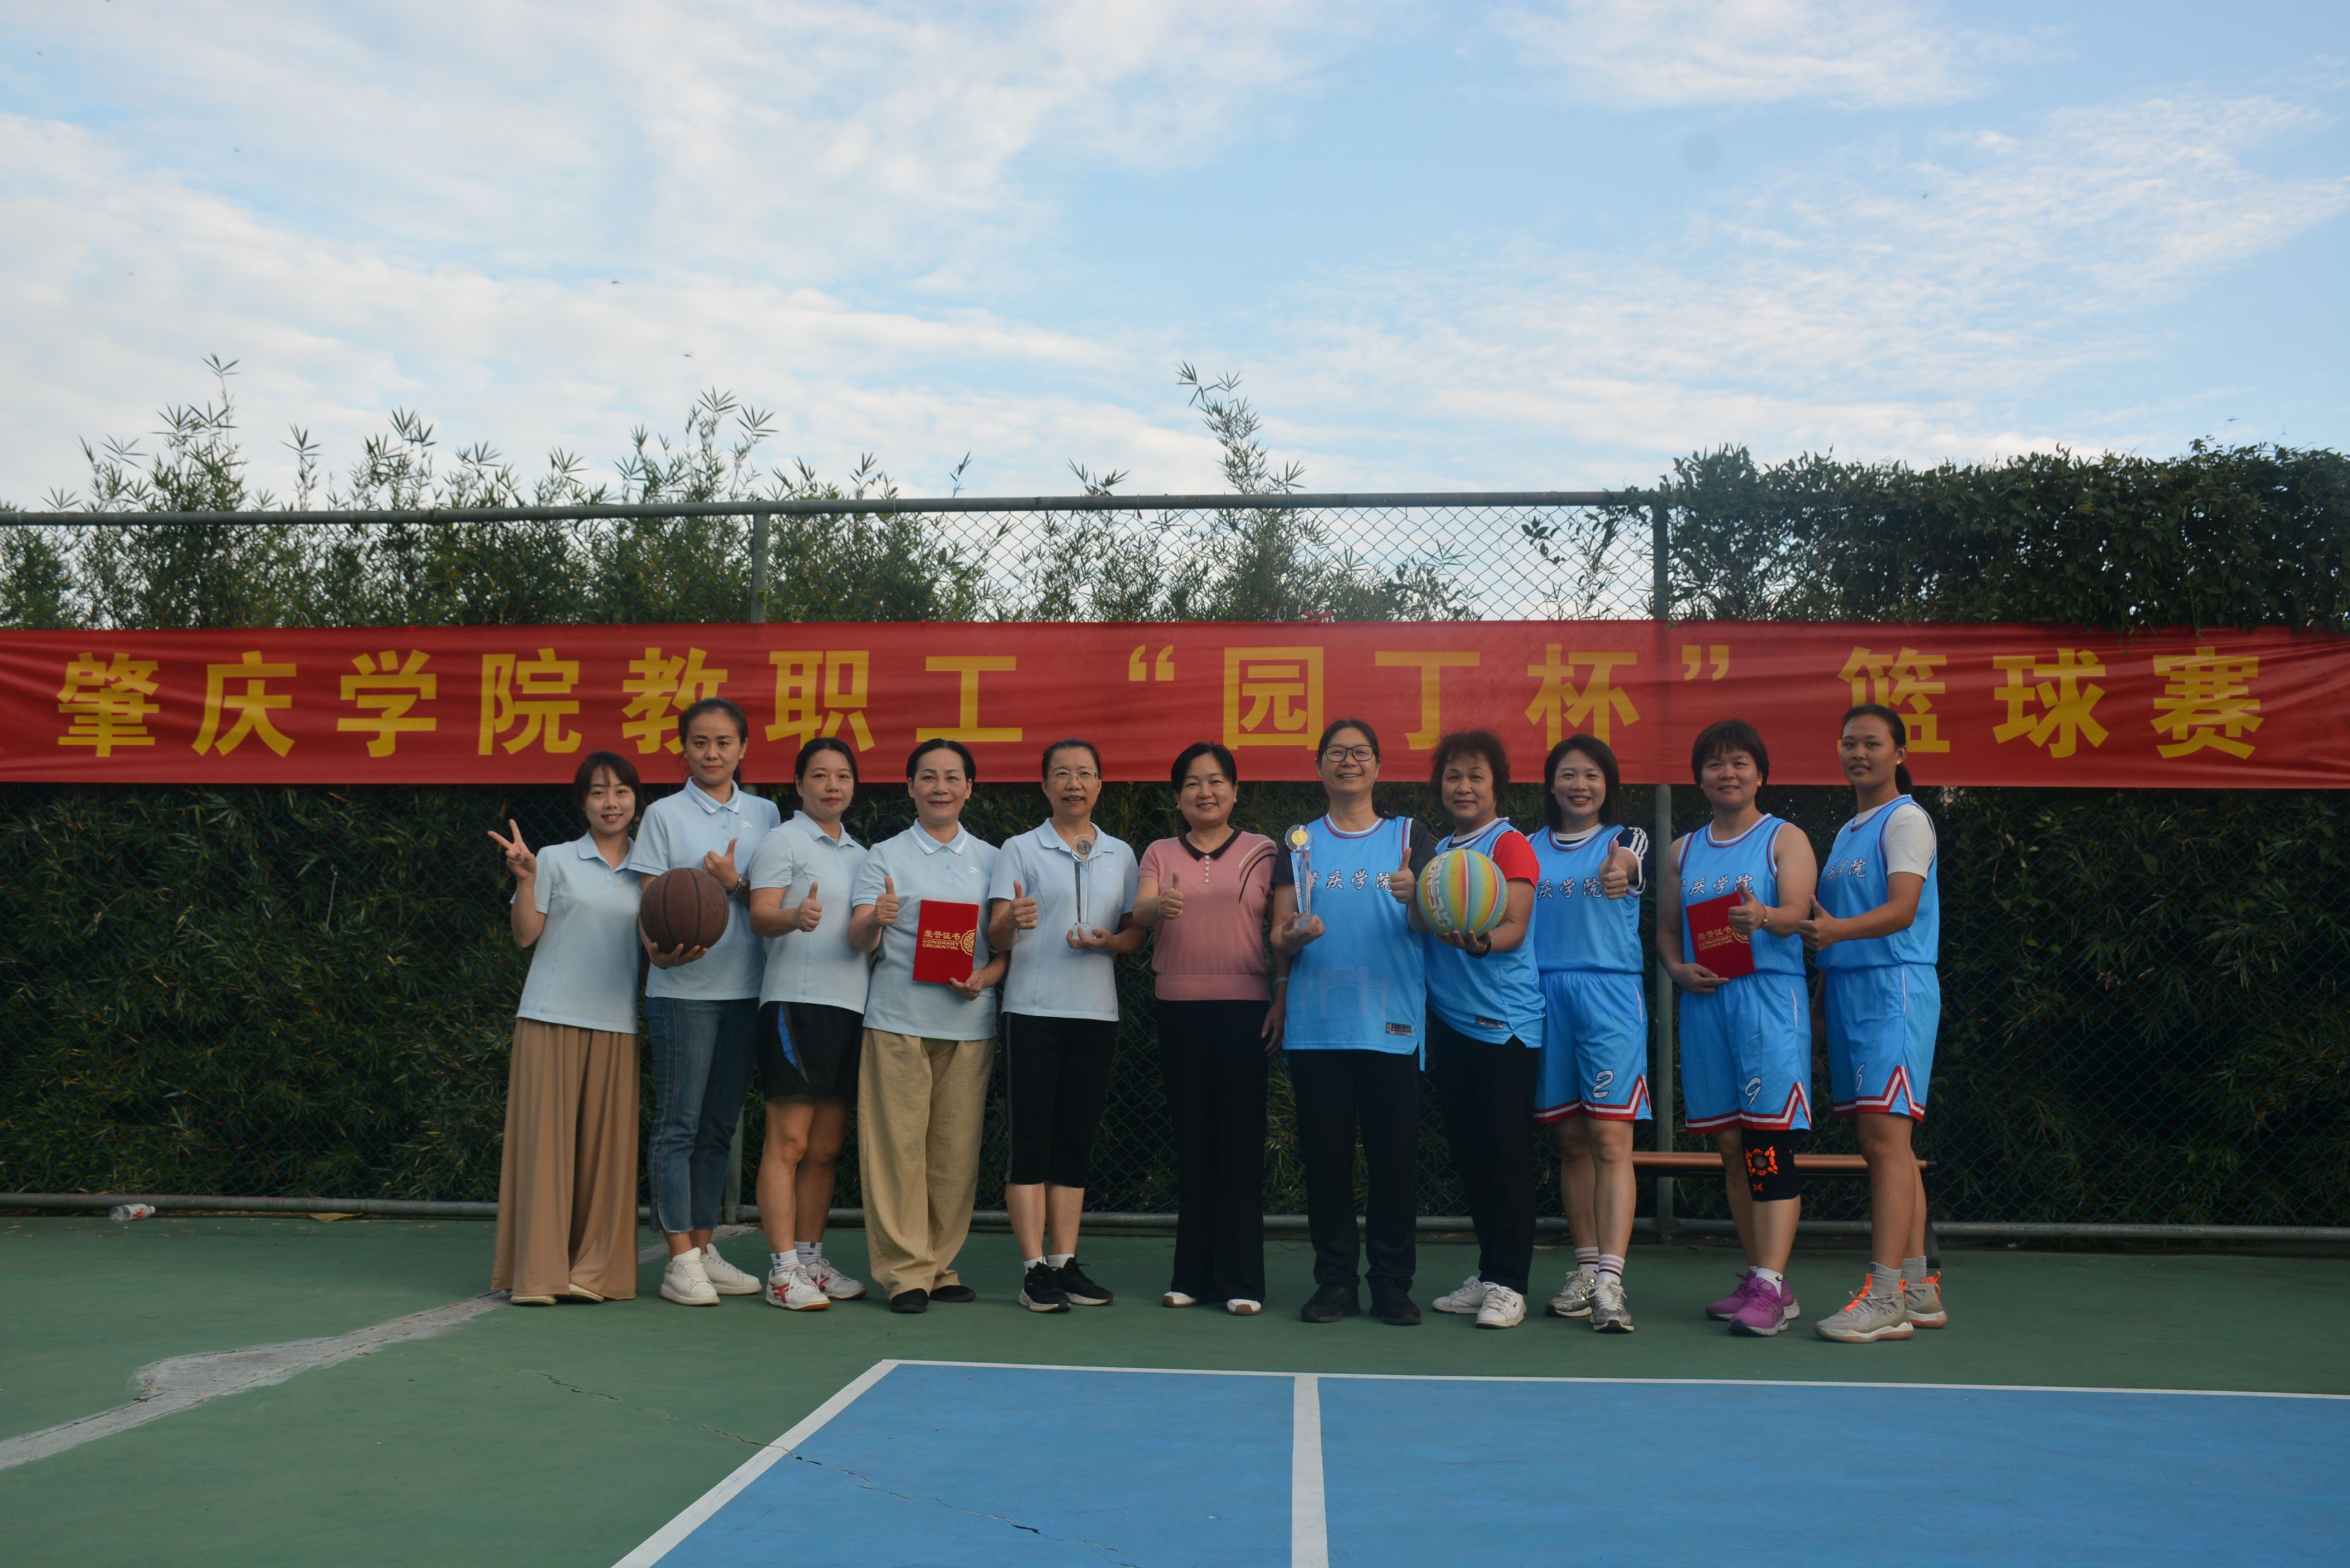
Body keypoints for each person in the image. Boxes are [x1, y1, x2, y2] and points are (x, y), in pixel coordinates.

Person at [1271, 718, 1438, 1327]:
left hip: (1390, 1025)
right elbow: (1279, 934)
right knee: (1326, 1162)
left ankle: (1392, 1283)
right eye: (1337, 753)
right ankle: (1335, 1282)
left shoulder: (1409, 836)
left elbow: (1431, 923)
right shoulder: (1299, 843)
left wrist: (1416, 896)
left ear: (1378, 766)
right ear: (1318, 767)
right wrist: (1294, 934)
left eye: (1360, 752)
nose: (1349, 762)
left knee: (1394, 1163)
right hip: (1318, 1026)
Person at [1656, 718, 1819, 1338]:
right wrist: (1678, 969)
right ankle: (1761, 1277)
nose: (1727, 773)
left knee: (1767, 1142)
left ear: (1760, 774)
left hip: (1768, 1001)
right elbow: (1667, 931)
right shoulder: (1683, 850)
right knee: (1730, 1145)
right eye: (1715, 763)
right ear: (1699, 777)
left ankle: (1771, 1287)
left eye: (1739, 762)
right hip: (1707, 1002)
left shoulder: (1784, 837)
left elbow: (1799, 910)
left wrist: (1765, 915)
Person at [628, 697, 783, 1306]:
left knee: (719, 1127)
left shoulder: (767, 814)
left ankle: (703, 1244)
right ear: (684, 748)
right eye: (700, 742)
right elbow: (650, 904)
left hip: (747, 991)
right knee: (679, 1125)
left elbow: (768, 900)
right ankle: (679, 1259)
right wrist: (657, 953)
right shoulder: (663, 815)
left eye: (723, 742)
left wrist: (732, 884)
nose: (712, 753)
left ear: (743, 748)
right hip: (682, 993)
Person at [1800, 703, 1946, 1343]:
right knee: (1888, 1146)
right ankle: (1918, 1287)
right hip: (1849, 992)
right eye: (1849, 743)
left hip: (1894, 988)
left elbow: (1903, 908)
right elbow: (1830, 930)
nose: (1858, 753)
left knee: (1885, 1143)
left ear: (1899, 754)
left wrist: (1834, 934)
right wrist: (1818, 1009)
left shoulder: (1906, 818)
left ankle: (1885, 1296)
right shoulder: (1846, 832)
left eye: (1872, 743)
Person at [850, 739, 1007, 1314]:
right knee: (897, 1150)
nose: (941, 787)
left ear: (970, 788)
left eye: (952, 777)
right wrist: (877, 918)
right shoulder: (885, 854)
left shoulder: (994, 857)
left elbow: (1004, 949)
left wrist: (984, 978)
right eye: (928, 777)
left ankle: (939, 1266)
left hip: (969, 1023)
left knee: (953, 1153)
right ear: (910, 787)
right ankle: (904, 1273)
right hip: (898, 1021)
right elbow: (858, 937)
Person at [987, 738, 1142, 1313]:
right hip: (1031, 1011)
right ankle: (1033, 1269)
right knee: (1031, 1142)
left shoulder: (1121, 853)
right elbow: (996, 934)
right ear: (1045, 785)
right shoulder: (1019, 849)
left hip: (1095, 1013)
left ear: (1100, 784)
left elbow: (1135, 933)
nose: (1074, 784)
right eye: (1062, 774)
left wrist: (1111, 942)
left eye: (1084, 773)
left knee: (1075, 1142)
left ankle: (1064, 1262)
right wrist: (1013, 919)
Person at [487, 752, 647, 1305]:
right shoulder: (553, 859)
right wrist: (527, 879)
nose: (611, 802)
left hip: (616, 1023)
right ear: (582, 802)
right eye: (598, 792)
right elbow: (525, 934)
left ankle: (595, 1273)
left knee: (605, 1160)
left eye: (621, 791)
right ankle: (536, 1276)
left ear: (636, 800)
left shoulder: (651, 868)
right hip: (549, 1015)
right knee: (545, 1152)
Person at [1132, 742, 1281, 1316]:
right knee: (1193, 1143)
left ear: (1235, 791)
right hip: (1180, 1010)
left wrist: (1282, 996)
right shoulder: (1159, 852)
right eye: (1192, 783)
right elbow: (1141, 911)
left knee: (1240, 1144)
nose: (1205, 792)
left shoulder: (1264, 851)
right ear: (1177, 797)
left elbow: (1281, 930)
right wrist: (1159, 906)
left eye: (1217, 781)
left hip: (1246, 1010)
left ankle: (1243, 1281)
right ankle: (1192, 1277)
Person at [1420, 731, 1544, 1331]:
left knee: (1505, 1157)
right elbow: (1423, 917)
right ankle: (1490, 1272)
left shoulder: (1509, 844)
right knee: (1471, 1157)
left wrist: (1482, 944)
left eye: (1475, 776)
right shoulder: (1439, 852)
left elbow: (1514, 925)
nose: (1463, 787)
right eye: (1453, 776)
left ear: (1497, 785)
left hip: (1505, 1026)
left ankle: (1511, 1283)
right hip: (1451, 1025)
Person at [744, 736, 871, 1312]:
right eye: (819, 775)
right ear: (798, 785)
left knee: (824, 1148)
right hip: (795, 1005)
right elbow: (759, 915)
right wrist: (795, 915)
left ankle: (810, 1259)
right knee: (789, 1142)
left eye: (842, 775)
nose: (832, 785)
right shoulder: (782, 840)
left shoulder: (864, 855)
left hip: (850, 1008)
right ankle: (782, 1271)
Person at [1529, 734, 1649, 1333]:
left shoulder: (1626, 840)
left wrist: (1620, 871)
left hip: (1608, 995)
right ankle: (1583, 1269)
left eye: (1592, 775)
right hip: (1544, 993)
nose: (1580, 785)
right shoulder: (1527, 848)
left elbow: (1628, 865)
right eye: (1568, 774)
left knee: (1610, 1139)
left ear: (1608, 785)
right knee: (1572, 1142)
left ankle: (1611, 1280)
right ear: (1551, 785)